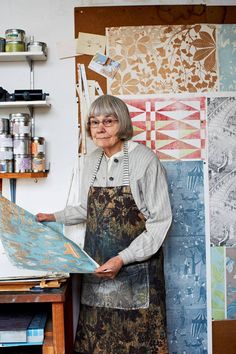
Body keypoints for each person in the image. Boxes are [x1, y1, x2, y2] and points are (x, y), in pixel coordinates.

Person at [36, 94, 172, 354]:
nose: (100, 128)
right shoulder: (90, 161)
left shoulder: (145, 160)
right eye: (94, 122)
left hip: (137, 278)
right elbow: (89, 209)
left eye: (108, 121)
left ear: (122, 124)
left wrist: (123, 258)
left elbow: (160, 222)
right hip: (98, 275)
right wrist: (52, 217)